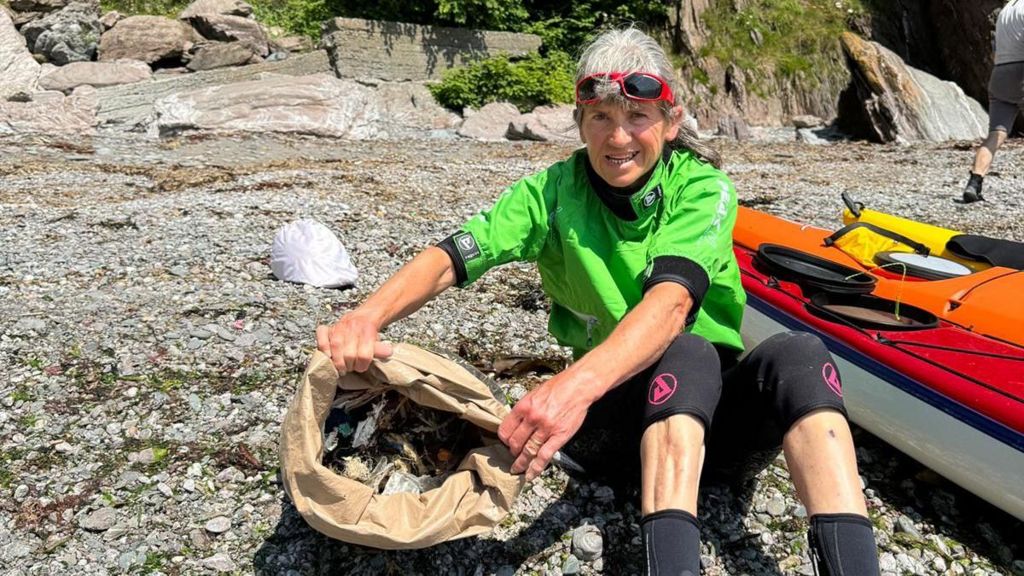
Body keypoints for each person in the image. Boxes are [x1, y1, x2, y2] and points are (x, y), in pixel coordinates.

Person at [316, 27, 880, 575]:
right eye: (601, 118)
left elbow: (670, 305)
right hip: (614, 431)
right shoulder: (553, 191)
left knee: (799, 353)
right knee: (689, 356)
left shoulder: (703, 189)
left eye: (637, 116)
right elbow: (457, 254)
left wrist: (566, 388)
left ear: (671, 120)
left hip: (715, 437)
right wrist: (367, 315)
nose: (618, 138)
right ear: (581, 120)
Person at [962, 0, 1024, 203]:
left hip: (1000, 74)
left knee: (997, 133)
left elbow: (995, 51)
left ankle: (974, 182)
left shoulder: (1006, 11)